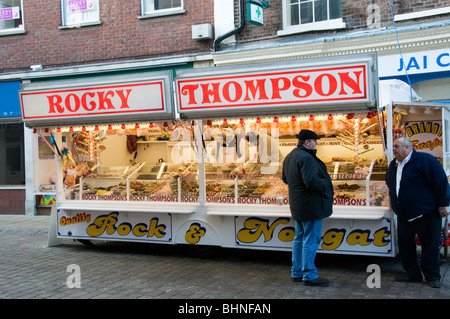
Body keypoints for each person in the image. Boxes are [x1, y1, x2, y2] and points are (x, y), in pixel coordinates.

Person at [385, 138, 450, 288]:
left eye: (396, 146)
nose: (393, 149)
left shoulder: (425, 160)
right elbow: (390, 181)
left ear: (407, 148)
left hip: (426, 213)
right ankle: (412, 274)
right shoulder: (394, 164)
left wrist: (443, 204)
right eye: (393, 146)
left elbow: (440, 182)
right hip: (404, 214)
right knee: (406, 246)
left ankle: (432, 276)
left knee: (430, 246)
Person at [282, 129, 334, 286]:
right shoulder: (307, 157)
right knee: (311, 239)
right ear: (307, 142)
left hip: (298, 205)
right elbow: (311, 181)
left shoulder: (290, 156)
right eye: (314, 140)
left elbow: (285, 179)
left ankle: (296, 272)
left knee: (299, 238)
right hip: (311, 205)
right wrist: (326, 185)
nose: (316, 143)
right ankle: (309, 275)